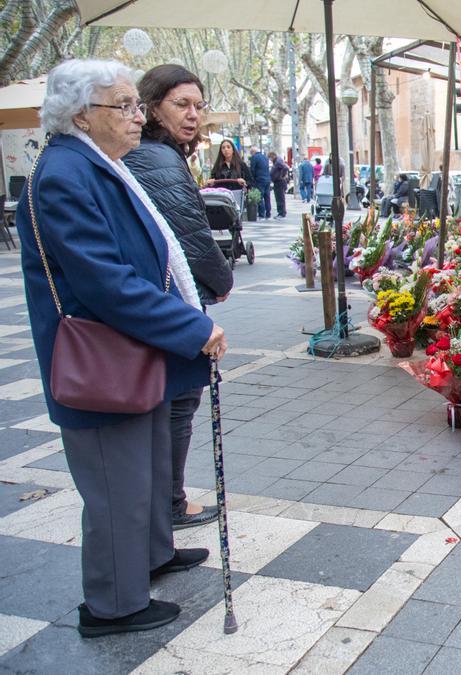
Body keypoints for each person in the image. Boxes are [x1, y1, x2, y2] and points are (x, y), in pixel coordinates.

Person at [16, 59, 226, 637]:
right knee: (117, 486)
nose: (139, 116)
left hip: (134, 350)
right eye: (126, 106)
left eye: (138, 104)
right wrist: (190, 327)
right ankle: (112, 605)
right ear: (81, 114)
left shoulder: (96, 163)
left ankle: (154, 554)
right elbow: (105, 282)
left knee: (150, 468)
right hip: (102, 358)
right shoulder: (64, 172)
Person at [124, 63, 235, 531]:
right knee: (180, 401)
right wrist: (222, 281)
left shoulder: (151, 154)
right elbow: (191, 237)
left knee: (171, 403)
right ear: (151, 108)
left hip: (159, 297)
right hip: (170, 300)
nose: (193, 115)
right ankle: (171, 502)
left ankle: (164, 503)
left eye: (198, 105)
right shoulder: (159, 159)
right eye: (181, 105)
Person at [248, 145, 271, 218]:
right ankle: (268, 213)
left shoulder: (254, 158)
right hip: (267, 179)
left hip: (259, 179)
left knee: (260, 197)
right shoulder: (265, 157)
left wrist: (252, 180)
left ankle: (261, 214)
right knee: (267, 197)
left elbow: (252, 170)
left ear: (253, 152)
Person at [268, 151, 289, 219]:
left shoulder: (278, 161)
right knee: (279, 197)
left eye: (270, 158)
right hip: (278, 181)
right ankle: (281, 212)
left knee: (280, 198)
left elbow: (285, 168)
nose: (270, 159)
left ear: (273, 156)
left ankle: (281, 213)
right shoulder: (277, 161)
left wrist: (281, 176)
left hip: (279, 182)